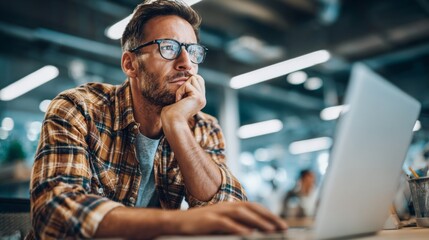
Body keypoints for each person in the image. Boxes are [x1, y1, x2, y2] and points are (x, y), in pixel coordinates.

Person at [27, 0, 287, 239]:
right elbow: (54, 213)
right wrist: (177, 222)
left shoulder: (203, 126)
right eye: (169, 48)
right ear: (130, 64)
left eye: (193, 51)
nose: (186, 63)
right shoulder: (78, 108)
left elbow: (228, 213)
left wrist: (176, 125)